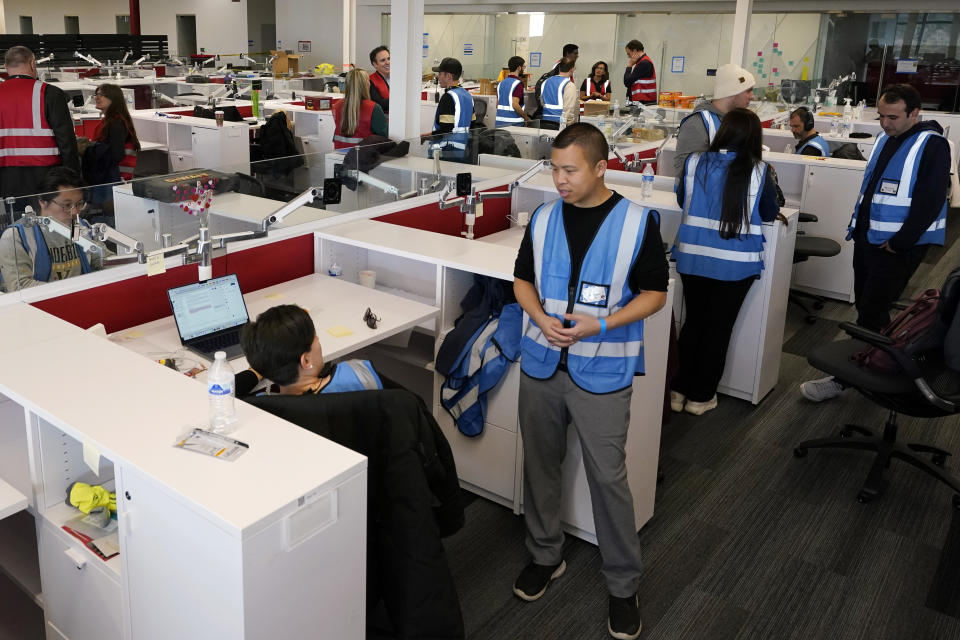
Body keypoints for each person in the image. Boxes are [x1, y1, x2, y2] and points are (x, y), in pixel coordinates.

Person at [511, 123, 668, 640]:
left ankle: (623, 586)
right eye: (554, 168)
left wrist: (602, 323)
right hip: (541, 363)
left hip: (602, 369)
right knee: (540, 465)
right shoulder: (542, 218)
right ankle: (544, 554)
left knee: (608, 478)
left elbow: (654, 293)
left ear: (600, 168)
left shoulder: (637, 222)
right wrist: (537, 316)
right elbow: (523, 281)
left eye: (569, 169)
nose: (559, 179)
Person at [800, 84, 951, 402]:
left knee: (871, 309)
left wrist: (901, 242)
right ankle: (884, 363)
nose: (884, 123)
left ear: (914, 113)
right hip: (869, 238)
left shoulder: (933, 144)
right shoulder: (886, 139)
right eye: (881, 116)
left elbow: (932, 198)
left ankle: (853, 375)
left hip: (897, 246)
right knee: (869, 306)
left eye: (892, 117)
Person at [670, 109, 782, 415]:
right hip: (734, 265)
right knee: (718, 330)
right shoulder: (758, 171)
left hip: (693, 260)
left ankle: (677, 391)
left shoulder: (694, 163)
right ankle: (701, 397)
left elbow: (683, 201)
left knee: (693, 324)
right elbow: (770, 212)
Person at [236, 304, 384, 397]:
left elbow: (222, 392)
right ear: (306, 361)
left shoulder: (264, 407)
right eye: (315, 338)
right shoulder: (356, 374)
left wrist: (257, 369)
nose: (318, 339)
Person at [0, 167, 107, 291]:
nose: (75, 212)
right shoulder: (16, 237)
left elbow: (103, 261)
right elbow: (20, 286)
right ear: (42, 202)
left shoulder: (81, 227)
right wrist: (72, 290)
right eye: (67, 205)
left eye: (79, 204)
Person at [0, 45, 80, 204]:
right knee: (49, 223)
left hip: (6, 178)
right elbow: (66, 141)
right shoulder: (51, 93)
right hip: (46, 176)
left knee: (16, 224)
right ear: (32, 63)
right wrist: (73, 179)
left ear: (5, 67)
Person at [673, 63, 755, 174]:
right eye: (748, 90)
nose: (752, 96)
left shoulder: (733, 120)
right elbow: (685, 170)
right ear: (732, 92)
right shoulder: (697, 124)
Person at [82, 83, 141, 218]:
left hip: (113, 183)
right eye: (95, 94)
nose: (96, 97)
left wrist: (88, 150)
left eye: (100, 94)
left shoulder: (116, 123)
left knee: (107, 219)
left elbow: (116, 155)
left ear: (113, 99)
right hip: (112, 182)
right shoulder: (113, 121)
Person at [429, 57, 475, 162]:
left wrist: (426, 136)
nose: (438, 77)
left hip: (447, 152)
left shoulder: (448, 97)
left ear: (448, 76)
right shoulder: (467, 96)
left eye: (440, 74)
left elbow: (445, 130)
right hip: (464, 151)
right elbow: (473, 124)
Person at [332, 69, 388, 150]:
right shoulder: (373, 108)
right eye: (368, 80)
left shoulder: (336, 106)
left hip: (339, 153)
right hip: (363, 155)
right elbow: (384, 135)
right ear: (366, 85)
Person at [539, 59, 578, 130]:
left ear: (559, 67)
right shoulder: (569, 85)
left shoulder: (545, 82)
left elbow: (542, 102)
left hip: (544, 122)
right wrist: (569, 125)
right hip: (559, 124)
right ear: (572, 69)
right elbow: (569, 109)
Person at [495, 56, 530, 127]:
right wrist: (526, 118)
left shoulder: (501, 83)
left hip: (499, 124)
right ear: (519, 68)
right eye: (523, 67)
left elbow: (497, 104)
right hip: (514, 125)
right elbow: (515, 104)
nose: (523, 69)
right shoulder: (518, 84)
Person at [623, 40, 656, 105]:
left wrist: (629, 65)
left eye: (629, 54)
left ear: (634, 51)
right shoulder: (643, 62)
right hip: (642, 102)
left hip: (643, 103)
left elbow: (627, 82)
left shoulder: (644, 63)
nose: (629, 57)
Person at [368, 45, 390, 114]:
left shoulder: (399, 79)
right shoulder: (369, 81)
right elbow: (379, 104)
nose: (387, 62)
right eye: (383, 60)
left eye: (389, 58)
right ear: (375, 64)